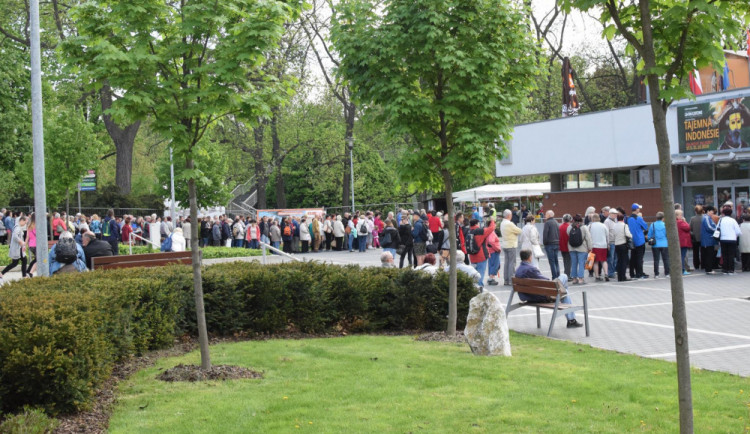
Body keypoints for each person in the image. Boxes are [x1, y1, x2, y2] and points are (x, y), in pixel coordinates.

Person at [514, 249, 584, 328]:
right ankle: (571, 320)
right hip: (541, 296)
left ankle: (571, 318)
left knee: (564, 291)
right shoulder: (531, 269)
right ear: (530, 257)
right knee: (564, 278)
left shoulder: (518, 270)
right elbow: (546, 281)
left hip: (529, 296)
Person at [467, 218, 496, 285]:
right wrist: (492, 220)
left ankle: (474, 287)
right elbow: (491, 228)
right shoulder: (480, 231)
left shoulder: (469, 231)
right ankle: (479, 288)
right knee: (480, 274)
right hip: (481, 256)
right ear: (476, 224)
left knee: (474, 275)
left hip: (472, 257)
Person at [0, 215, 28, 282]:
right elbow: (15, 236)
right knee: (16, 263)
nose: (25, 224)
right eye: (25, 222)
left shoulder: (17, 227)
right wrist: (21, 242)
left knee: (22, 261)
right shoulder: (17, 228)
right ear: (21, 220)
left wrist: (22, 244)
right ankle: (2, 273)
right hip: (17, 249)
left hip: (18, 248)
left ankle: (24, 275)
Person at [716, 205, 741, 274]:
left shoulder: (721, 220)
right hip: (732, 239)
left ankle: (725, 269)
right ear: (731, 213)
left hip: (723, 239)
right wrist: (735, 236)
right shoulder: (733, 220)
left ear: (723, 213)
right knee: (731, 255)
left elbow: (717, 229)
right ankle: (731, 269)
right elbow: (738, 231)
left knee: (724, 255)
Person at [567, 214, 592, 285]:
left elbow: (568, 234)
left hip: (572, 248)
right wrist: (590, 248)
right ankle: (581, 279)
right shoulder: (584, 227)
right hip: (582, 248)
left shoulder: (570, 227)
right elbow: (588, 238)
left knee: (574, 263)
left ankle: (574, 279)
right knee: (581, 263)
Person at [500, 209, 523, 286]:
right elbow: (519, 231)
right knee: (512, 263)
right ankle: (511, 280)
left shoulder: (502, 223)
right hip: (511, 244)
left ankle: (506, 280)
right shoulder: (510, 224)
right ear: (509, 215)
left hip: (505, 244)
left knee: (506, 263)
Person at [627, 203, 649, 279]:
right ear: (636, 209)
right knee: (640, 258)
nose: (639, 209)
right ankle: (639, 273)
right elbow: (645, 226)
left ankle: (632, 273)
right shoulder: (638, 218)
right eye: (638, 208)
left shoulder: (629, 218)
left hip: (632, 240)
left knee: (633, 257)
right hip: (640, 240)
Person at [647, 212, 669, 278]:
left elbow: (649, 235)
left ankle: (656, 274)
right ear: (663, 218)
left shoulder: (653, 225)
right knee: (666, 259)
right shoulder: (665, 225)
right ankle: (667, 273)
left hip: (655, 244)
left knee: (656, 260)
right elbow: (667, 234)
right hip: (664, 244)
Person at [588, 214, 609, 281]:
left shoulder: (590, 226)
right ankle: (606, 274)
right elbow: (607, 235)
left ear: (592, 219)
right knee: (604, 260)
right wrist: (608, 244)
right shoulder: (603, 225)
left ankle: (597, 276)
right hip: (603, 245)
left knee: (595, 262)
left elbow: (588, 236)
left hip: (594, 246)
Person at [613, 213, 632, 282]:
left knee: (619, 260)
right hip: (623, 244)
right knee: (624, 261)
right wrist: (631, 235)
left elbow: (613, 235)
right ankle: (623, 276)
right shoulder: (624, 225)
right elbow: (628, 235)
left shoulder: (614, 226)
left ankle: (619, 277)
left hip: (616, 245)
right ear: (623, 218)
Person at [700, 206, 719, 274]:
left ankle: (709, 269)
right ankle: (709, 269)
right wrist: (716, 230)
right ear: (708, 211)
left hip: (708, 239)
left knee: (709, 254)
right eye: (711, 211)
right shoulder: (706, 218)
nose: (712, 213)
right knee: (709, 255)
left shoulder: (708, 218)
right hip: (708, 239)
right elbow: (709, 227)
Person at [542, 210, 560, 279]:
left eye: (546, 214)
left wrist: (545, 243)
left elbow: (545, 234)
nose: (545, 215)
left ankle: (554, 276)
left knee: (552, 262)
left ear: (549, 215)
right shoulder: (556, 222)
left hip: (549, 244)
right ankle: (558, 275)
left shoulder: (547, 223)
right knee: (556, 261)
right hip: (556, 243)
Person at [675, 210, 692, 275]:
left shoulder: (674, 222)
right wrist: (685, 221)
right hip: (683, 242)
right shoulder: (680, 222)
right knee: (682, 256)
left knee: (678, 256)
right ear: (677, 216)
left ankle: (678, 269)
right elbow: (688, 228)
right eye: (680, 215)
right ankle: (682, 269)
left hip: (678, 241)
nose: (682, 216)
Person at [558, 214, 572, 278]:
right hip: (569, 247)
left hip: (562, 246)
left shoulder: (560, 227)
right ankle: (568, 275)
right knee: (569, 262)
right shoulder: (570, 227)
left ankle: (566, 273)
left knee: (565, 261)